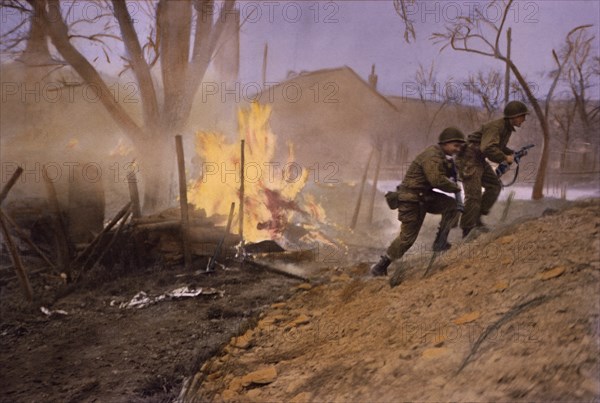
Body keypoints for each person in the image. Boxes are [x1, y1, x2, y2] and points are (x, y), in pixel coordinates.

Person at [370, 127, 466, 277]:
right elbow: (436, 179)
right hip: (411, 199)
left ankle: (440, 243)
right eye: (455, 145)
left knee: (451, 206)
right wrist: (455, 187)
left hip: (424, 197)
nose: (457, 149)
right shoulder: (432, 156)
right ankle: (381, 266)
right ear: (445, 144)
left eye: (459, 146)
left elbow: (442, 173)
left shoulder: (441, 156)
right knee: (407, 239)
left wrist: (453, 170)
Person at [457, 100, 529, 238]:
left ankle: (476, 219)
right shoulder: (497, 127)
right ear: (513, 116)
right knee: (473, 196)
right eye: (522, 116)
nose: (524, 119)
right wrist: (505, 158)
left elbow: (498, 147)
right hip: (468, 158)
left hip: (478, 158)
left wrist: (513, 153)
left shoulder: (506, 129)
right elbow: (488, 148)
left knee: (494, 186)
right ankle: (467, 232)